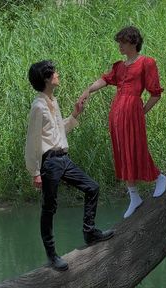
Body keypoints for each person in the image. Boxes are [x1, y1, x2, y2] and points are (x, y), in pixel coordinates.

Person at [25, 60, 114, 271]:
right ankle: (52, 255)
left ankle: (90, 232)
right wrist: (35, 171)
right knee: (49, 207)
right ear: (46, 79)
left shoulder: (52, 101)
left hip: (63, 159)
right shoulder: (38, 106)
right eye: (54, 73)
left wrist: (75, 115)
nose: (57, 74)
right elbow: (32, 140)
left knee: (92, 187)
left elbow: (56, 132)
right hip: (49, 163)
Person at [79, 26, 166, 219]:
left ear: (133, 43)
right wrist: (88, 90)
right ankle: (134, 196)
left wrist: (141, 112)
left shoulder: (147, 62)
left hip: (133, 110)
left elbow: (156, 94)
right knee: (122, 151)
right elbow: (105, 79)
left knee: (137, 148)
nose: (119, 46)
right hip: (117, 114)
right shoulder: (119, 66)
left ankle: (158, 176)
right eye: (119, 42)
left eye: (123, 42)